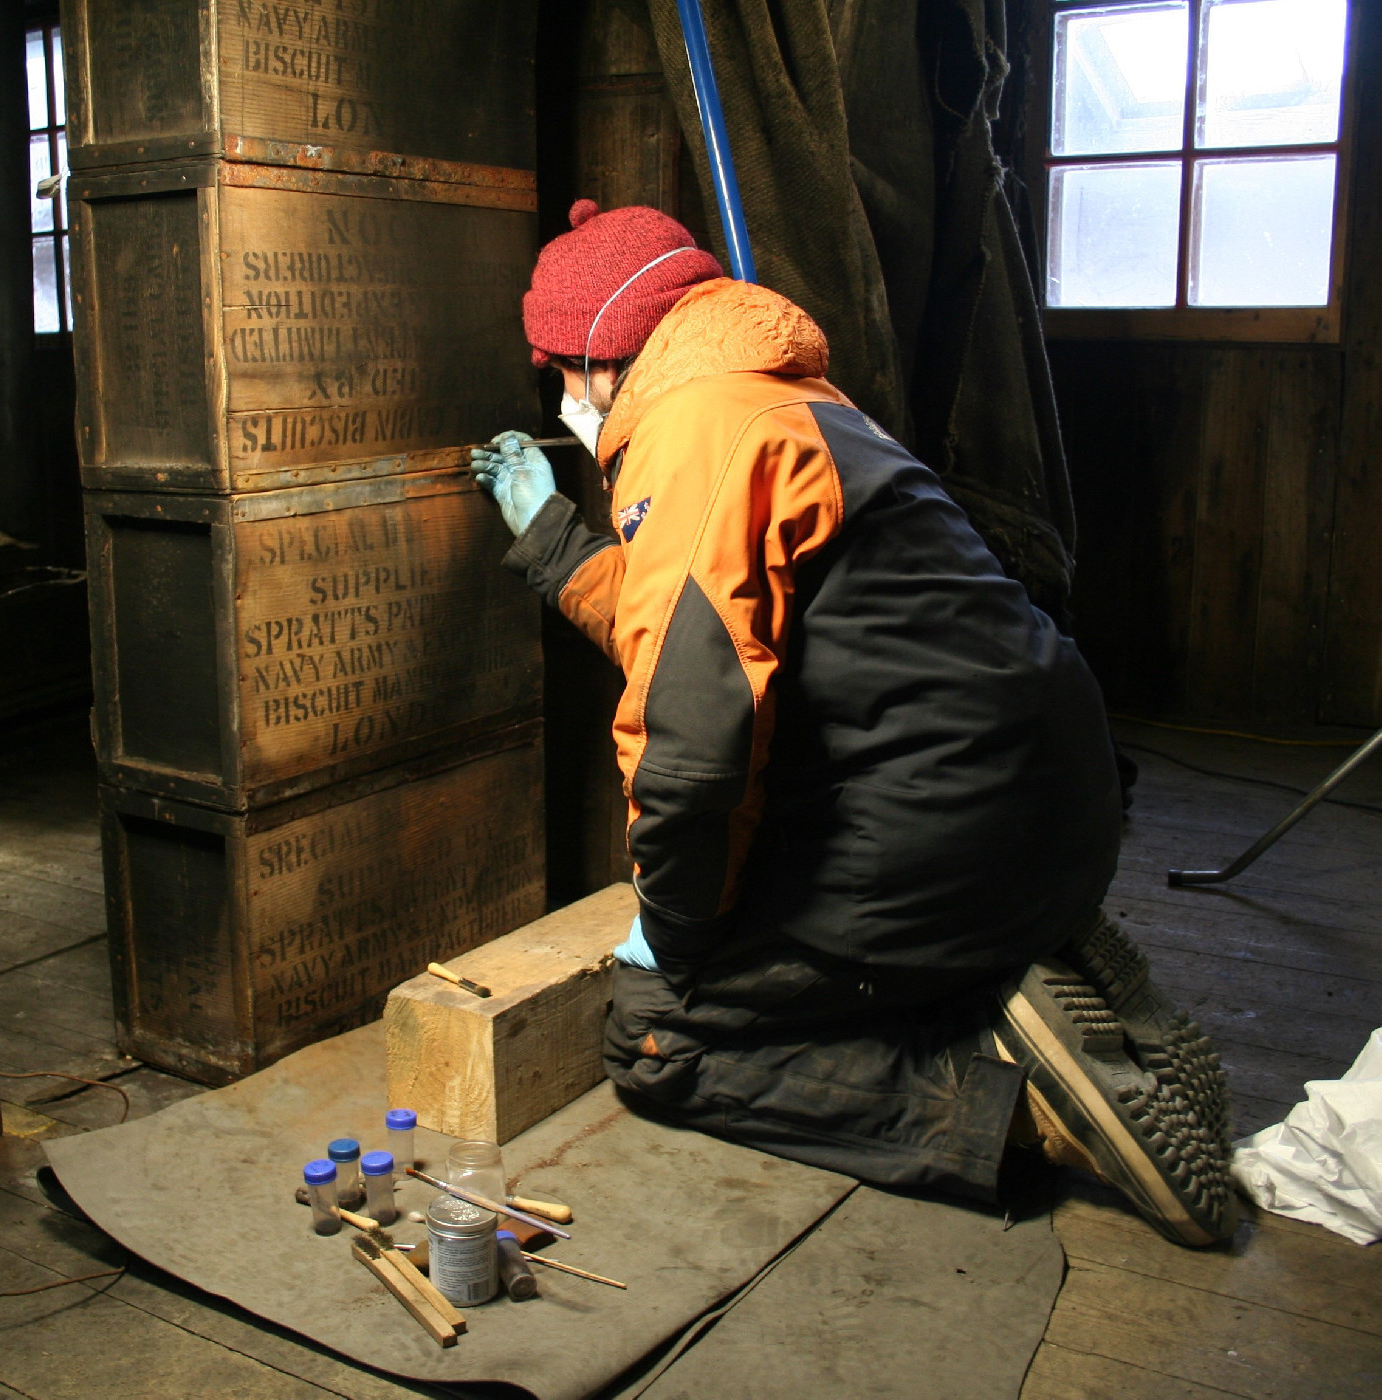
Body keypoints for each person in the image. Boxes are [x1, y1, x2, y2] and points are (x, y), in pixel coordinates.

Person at [473, 200, 1236, 1247]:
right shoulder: (793, 400)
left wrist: (676, 933)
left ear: (606, 354)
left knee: (659, 1044)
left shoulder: (695, 433)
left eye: (559, 370)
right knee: (787, 897)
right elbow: (711, 632)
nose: (562, 398)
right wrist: (559, 544)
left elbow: (692, 751)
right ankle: (1024, 947)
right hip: (1055, 802)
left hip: (950, 831)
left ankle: (1023, 1104)